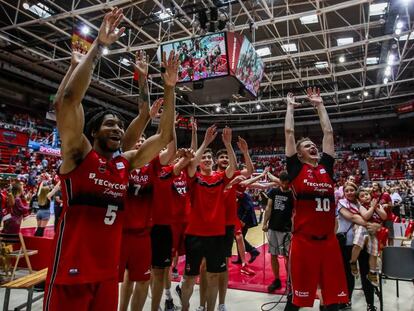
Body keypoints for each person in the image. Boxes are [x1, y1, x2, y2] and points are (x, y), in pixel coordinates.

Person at [44, 8, 177, 310]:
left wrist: (169, 88)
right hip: (70, 274)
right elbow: (67, 100)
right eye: (110, 124)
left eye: (119, 124)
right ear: (92, 131)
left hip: (107, 275)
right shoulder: (77, 154)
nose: (117, 128)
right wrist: (97, 47)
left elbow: (164, 136)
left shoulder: (124, 163)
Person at [284, 89, 348, 310]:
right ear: (299, 154)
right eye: (307, 145)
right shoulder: (295, 169)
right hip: (303, 242)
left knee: (333, 301)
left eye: (313, 144)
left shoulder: (326, 169)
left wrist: (320, 106)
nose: (313, 146)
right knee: (296, 302)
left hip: (329, 242)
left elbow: (328, 133)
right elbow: (289, 133)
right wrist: (290, 108)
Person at [179, 126, 237, 311]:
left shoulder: (220, 178)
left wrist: (228, 145)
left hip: (216, 236)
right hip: (194, 235)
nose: (206, 160)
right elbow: (191, 164)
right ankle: (185, 306)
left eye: (209, 158)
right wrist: (205, 143)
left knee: (213, 276)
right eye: (203, 157)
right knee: (189, 278)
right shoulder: (193, 178)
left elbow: (233, 167)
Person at [197, 137, 254, 311]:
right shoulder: (211, 177)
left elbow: (249, 171)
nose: (225, 160)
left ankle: (221, 303)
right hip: (209, 225)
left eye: (227, 158)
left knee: (224, 267)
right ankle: (202, 304)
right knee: (204, 266)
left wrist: (244, 152)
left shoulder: (232, 175)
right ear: (216, 161)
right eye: (222, 158)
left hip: (227, 224)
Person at [336, 182, 380, 311]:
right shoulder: (341, 203)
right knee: (348, 275)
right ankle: (346, 301)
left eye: (352, 190)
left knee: (366, 274)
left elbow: (378, 217)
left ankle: (370, 304)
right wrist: (372, 225)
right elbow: (352, 217)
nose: (349, 192)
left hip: (365, 243)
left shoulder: (362, 203)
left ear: (356, 191)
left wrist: (378, 225)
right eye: (347, 190)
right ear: (344, 193)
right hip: (348, 244)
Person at [262, 171, 293, 293]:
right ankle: (276, 280)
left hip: (287, 230)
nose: (285, 185)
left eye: (287, 183)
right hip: (273, 228)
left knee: (287, 257)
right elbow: (269, 207)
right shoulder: (273, 192)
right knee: (273, 255)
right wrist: (265, 223)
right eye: (283, 182)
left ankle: (290, 281)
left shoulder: (292, 194)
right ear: (279, 181)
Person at [349, 189, 386, 287]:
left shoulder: (378, 205)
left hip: (373, 232)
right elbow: (365, 216)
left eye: (367, 194)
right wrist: (372, 208)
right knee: (358, 244)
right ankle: (353, 262)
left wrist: (376, 208)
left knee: (374, 253)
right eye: (362, 196)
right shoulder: (362, 206)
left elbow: (384, 217)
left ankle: (372, 272)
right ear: (360, 200)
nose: (366, 196)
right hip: (364, 227)